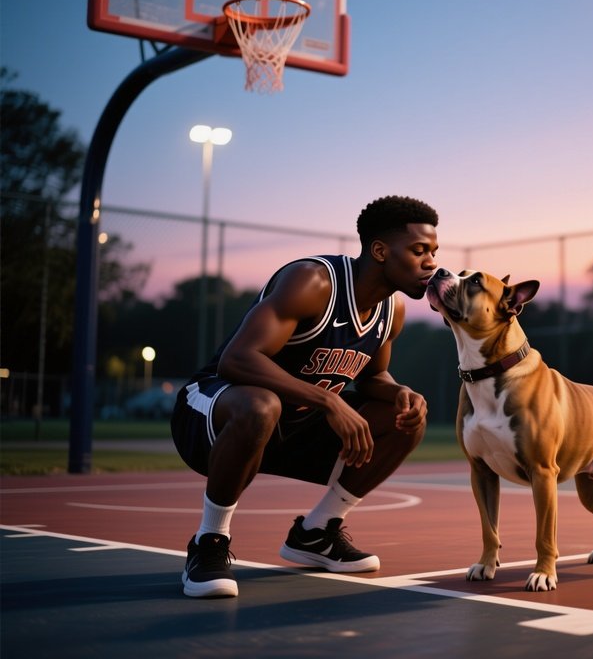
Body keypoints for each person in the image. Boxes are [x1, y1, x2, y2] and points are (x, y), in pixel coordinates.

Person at [171, 195, 439, 597]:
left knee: (401, 418)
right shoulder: (314, 281)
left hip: (291, 427)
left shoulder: (391, 310)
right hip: (214, 411)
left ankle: (316, 534)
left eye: (434, 251)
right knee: (262, 405)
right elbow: (238, 359)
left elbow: (372, 377)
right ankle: (209, 542)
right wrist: (329, 401)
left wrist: (401, 392)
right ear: (380, 251)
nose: (431, 262)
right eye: (419, 250)